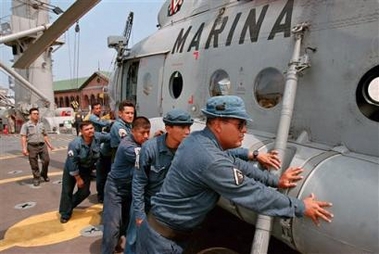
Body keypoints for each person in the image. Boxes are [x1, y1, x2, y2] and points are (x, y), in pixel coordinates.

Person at [136, 95, 334, 253]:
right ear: (218, 124)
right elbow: (252, 193)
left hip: (161, 234)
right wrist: (299, 206)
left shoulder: (197, 140)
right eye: (240, 124)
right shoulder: (210, 159)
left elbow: (235, 162)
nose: (244, 130)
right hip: (161, 243)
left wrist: (275, 181)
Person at [128, 109, 194, 253]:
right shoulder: (150, 148)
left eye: (189, 127)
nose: (187, 131)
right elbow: (138, 182)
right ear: (168, 128)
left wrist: (249, 154)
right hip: (145, 203)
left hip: (165, 207)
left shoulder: (187, 148)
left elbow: (213, 153)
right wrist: (139, 213)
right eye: (182, 127)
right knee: (134, 238)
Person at [101, 116, 151, 254]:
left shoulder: (141, 143)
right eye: (142, 133)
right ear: (133, 131)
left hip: (130, 190)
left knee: (125, 224)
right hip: (115, 189)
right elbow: (148, 157)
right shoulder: (127, 145)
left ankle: (116, 246)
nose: (146, 136)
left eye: (148, 132)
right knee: (112, 227)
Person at [58, 121, 110, 223]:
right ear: (81, 131)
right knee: (67, 191)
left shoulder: (98, 137)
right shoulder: (75, 144)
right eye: (87, 129)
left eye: (91, 128)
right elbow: (72, 162)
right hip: (72, 169)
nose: (90, 131)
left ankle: (67, 206)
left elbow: (111, 137)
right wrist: (78, 178)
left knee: (84, 192)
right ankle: (65, 214)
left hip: (86, 169)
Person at [20, 108, 54, 186]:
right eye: (34, 114)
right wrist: (24, 148)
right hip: (32, 146)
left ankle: (44, 174)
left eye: (37, 114)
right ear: (30, 115)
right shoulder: (26, 125)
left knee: (46, 161)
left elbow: (45, 135)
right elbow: (23, 137)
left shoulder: (41, 124)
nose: (36, 115)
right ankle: (36, 178)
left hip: (42, 145)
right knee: (34, 163)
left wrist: (49, 145)